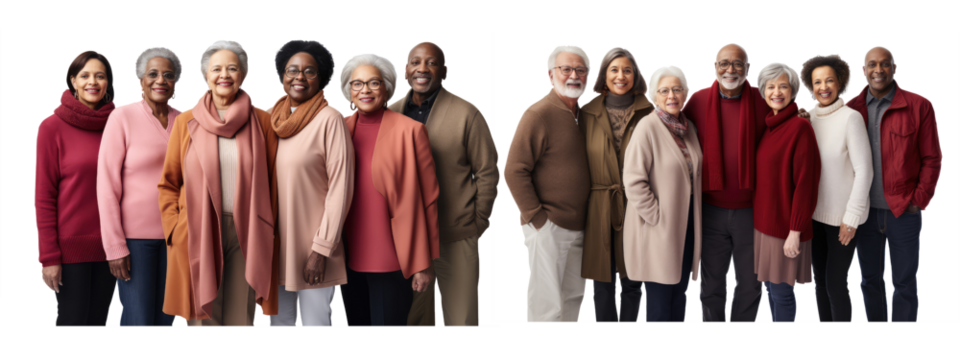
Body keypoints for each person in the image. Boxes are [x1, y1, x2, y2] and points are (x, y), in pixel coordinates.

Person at [684, 43, 812, 323]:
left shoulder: (761, 100)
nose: (731, 69)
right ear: (714, 67)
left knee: (751, 283)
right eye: (724, 63)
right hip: (710, 210)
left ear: (748, 69)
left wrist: (801, 113)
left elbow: (784, 116)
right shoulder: (696, 101)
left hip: (752, 211)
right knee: (711, 282)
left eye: (738, 64)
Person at [158, 39, 280, 327]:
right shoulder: (186, 122)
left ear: (244, 74)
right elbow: (169, 183)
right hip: (197, 228)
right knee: (204, 315)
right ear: (205, 75)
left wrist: (270, 227)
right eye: (217, 69)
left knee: (240, 316)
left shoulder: (262, 121)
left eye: (232, 68)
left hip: (248, 229)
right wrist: (175, 228)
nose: (224, 75)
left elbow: (274, 182)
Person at [389, 41, 500, 327]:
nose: (423, 69)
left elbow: (488, 172)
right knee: (411, 319)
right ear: (405, 71)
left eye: (432, 62)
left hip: (456, 235)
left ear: (445, 71)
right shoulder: (390, 113)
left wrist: (477, 222)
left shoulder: (467, 113)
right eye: (416, 62)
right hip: (407, 240)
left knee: (462, 318)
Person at [337, 53, 440, 327]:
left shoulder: (411, 132)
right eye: (357, 84)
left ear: (387, 88)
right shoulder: (340, 130)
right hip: (347, 256)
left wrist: (423, 263)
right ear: (348, 91)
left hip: (393, 257)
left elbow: (428, 200)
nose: (366, 90)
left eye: (374, 83)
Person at [846, 45, 942, 323]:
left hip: (903, 212)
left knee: (904, 282)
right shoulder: (851, 109)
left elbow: (932, 158)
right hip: (864, 214)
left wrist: (918, 200)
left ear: (895, 68)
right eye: (872, 64)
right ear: (863, 71)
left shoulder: (920, 105)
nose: (879, 70)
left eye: (885, 63)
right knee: (869, 281)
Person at [265, 40, 352, 328]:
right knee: (279, 322)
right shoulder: (270, 118)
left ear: (321, 76)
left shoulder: (330, 119)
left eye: (309, 71)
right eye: (292, 70)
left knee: (316, 322)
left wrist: (322, 249)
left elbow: (341, 188)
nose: (299, 77)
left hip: (314, 248)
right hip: (275, 246)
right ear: (282, 75)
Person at [503, 44, 591, 323]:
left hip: (581, 226)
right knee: (546, 307)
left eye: (580, 70)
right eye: (566, 69)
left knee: (572, 298)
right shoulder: (538, 113)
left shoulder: (585, 116)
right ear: (550, 75)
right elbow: (513, 170)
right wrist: (537, 218)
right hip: (548, 226)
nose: (574, 75)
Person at [97, 45, 184, 327]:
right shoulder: (122, 117)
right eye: (153, 74)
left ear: (175, 82)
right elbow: (106, 186)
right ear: (140, 81)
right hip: (134, 241)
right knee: (138, 320)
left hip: (176, 238)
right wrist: (115, 247)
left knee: (165, 320)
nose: (161, 80)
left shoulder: (185, 121)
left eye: (168, 75)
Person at [36, 49, 119, 327]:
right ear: (73, 80)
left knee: (98, 322)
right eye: (85, 76)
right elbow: (44, 197)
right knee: (72, 322)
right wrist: (48, 257)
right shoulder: (52, 127)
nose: (92, 82)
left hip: (111, 249)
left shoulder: (118, 125)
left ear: (108, 82)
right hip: (70, 253)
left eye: (100, 76)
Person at [622, 65, 702, 323]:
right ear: (654, 96)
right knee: (659, 302)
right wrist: (657, 217)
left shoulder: (688, 129)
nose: (671, 96)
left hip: (687, 226)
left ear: (685, 93)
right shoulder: (647, 127)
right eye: (664, 90)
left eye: (677, 89)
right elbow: (633, 180)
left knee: (679, 297)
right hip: (659, 230)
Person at [579, 46, 650, 323]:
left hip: (637, 203)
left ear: (636, 75)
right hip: (599, 204)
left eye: (627, 70)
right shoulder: (586, 112)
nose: (621, 76)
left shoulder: (649, 110)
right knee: (602, 279)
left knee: (633, 277)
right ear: (604, 75)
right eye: (614, 69)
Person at [800, 53, 872, 323]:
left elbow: (864, 171)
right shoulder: (808, 118)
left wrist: (851, 218)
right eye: (817, 82)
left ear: (840, 82)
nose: (823, 87)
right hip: (814, 217)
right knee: (819, 280)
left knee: (835, 282)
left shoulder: (850, 118)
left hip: (843, 219)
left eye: (829, 80)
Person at [752, 62, 821, 323]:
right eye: (771, 87)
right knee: (770, 290)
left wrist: (795, 230)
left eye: (783, 86)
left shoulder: (799, 128)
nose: (776, 92)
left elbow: (806, 184)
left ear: (792, 90)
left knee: (782, 293)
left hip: (785, 228)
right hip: (764, 226)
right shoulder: (769, 126)